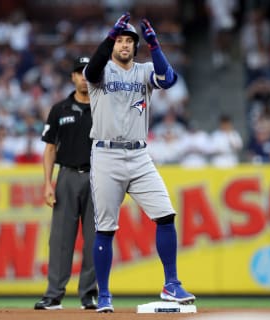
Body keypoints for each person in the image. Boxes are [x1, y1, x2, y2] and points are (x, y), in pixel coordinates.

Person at [83, 12, 195, 313]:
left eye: (128, 41)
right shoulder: (102, 71)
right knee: (105, 227)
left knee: (166, 214)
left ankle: (171, 283)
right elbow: (91, 70)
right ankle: (104, 294)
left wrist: (155, 45)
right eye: (119, 40)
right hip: (106, 153)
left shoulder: (144, 70)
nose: (123, 45)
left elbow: (168, 80)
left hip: (139, 154)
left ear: (135, 46)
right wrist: (107, 39)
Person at [34, 56, 98, 311]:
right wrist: (47, 184)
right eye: (79, 72)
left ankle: (90, 295)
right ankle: (53, 295)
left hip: (98, 177)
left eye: (88, 72)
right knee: (60, 238)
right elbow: (50, 149)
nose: (84, 77)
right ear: (72, 77)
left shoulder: (105, 107)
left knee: (96, 239)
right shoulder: (59, 109)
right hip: (67, 175)